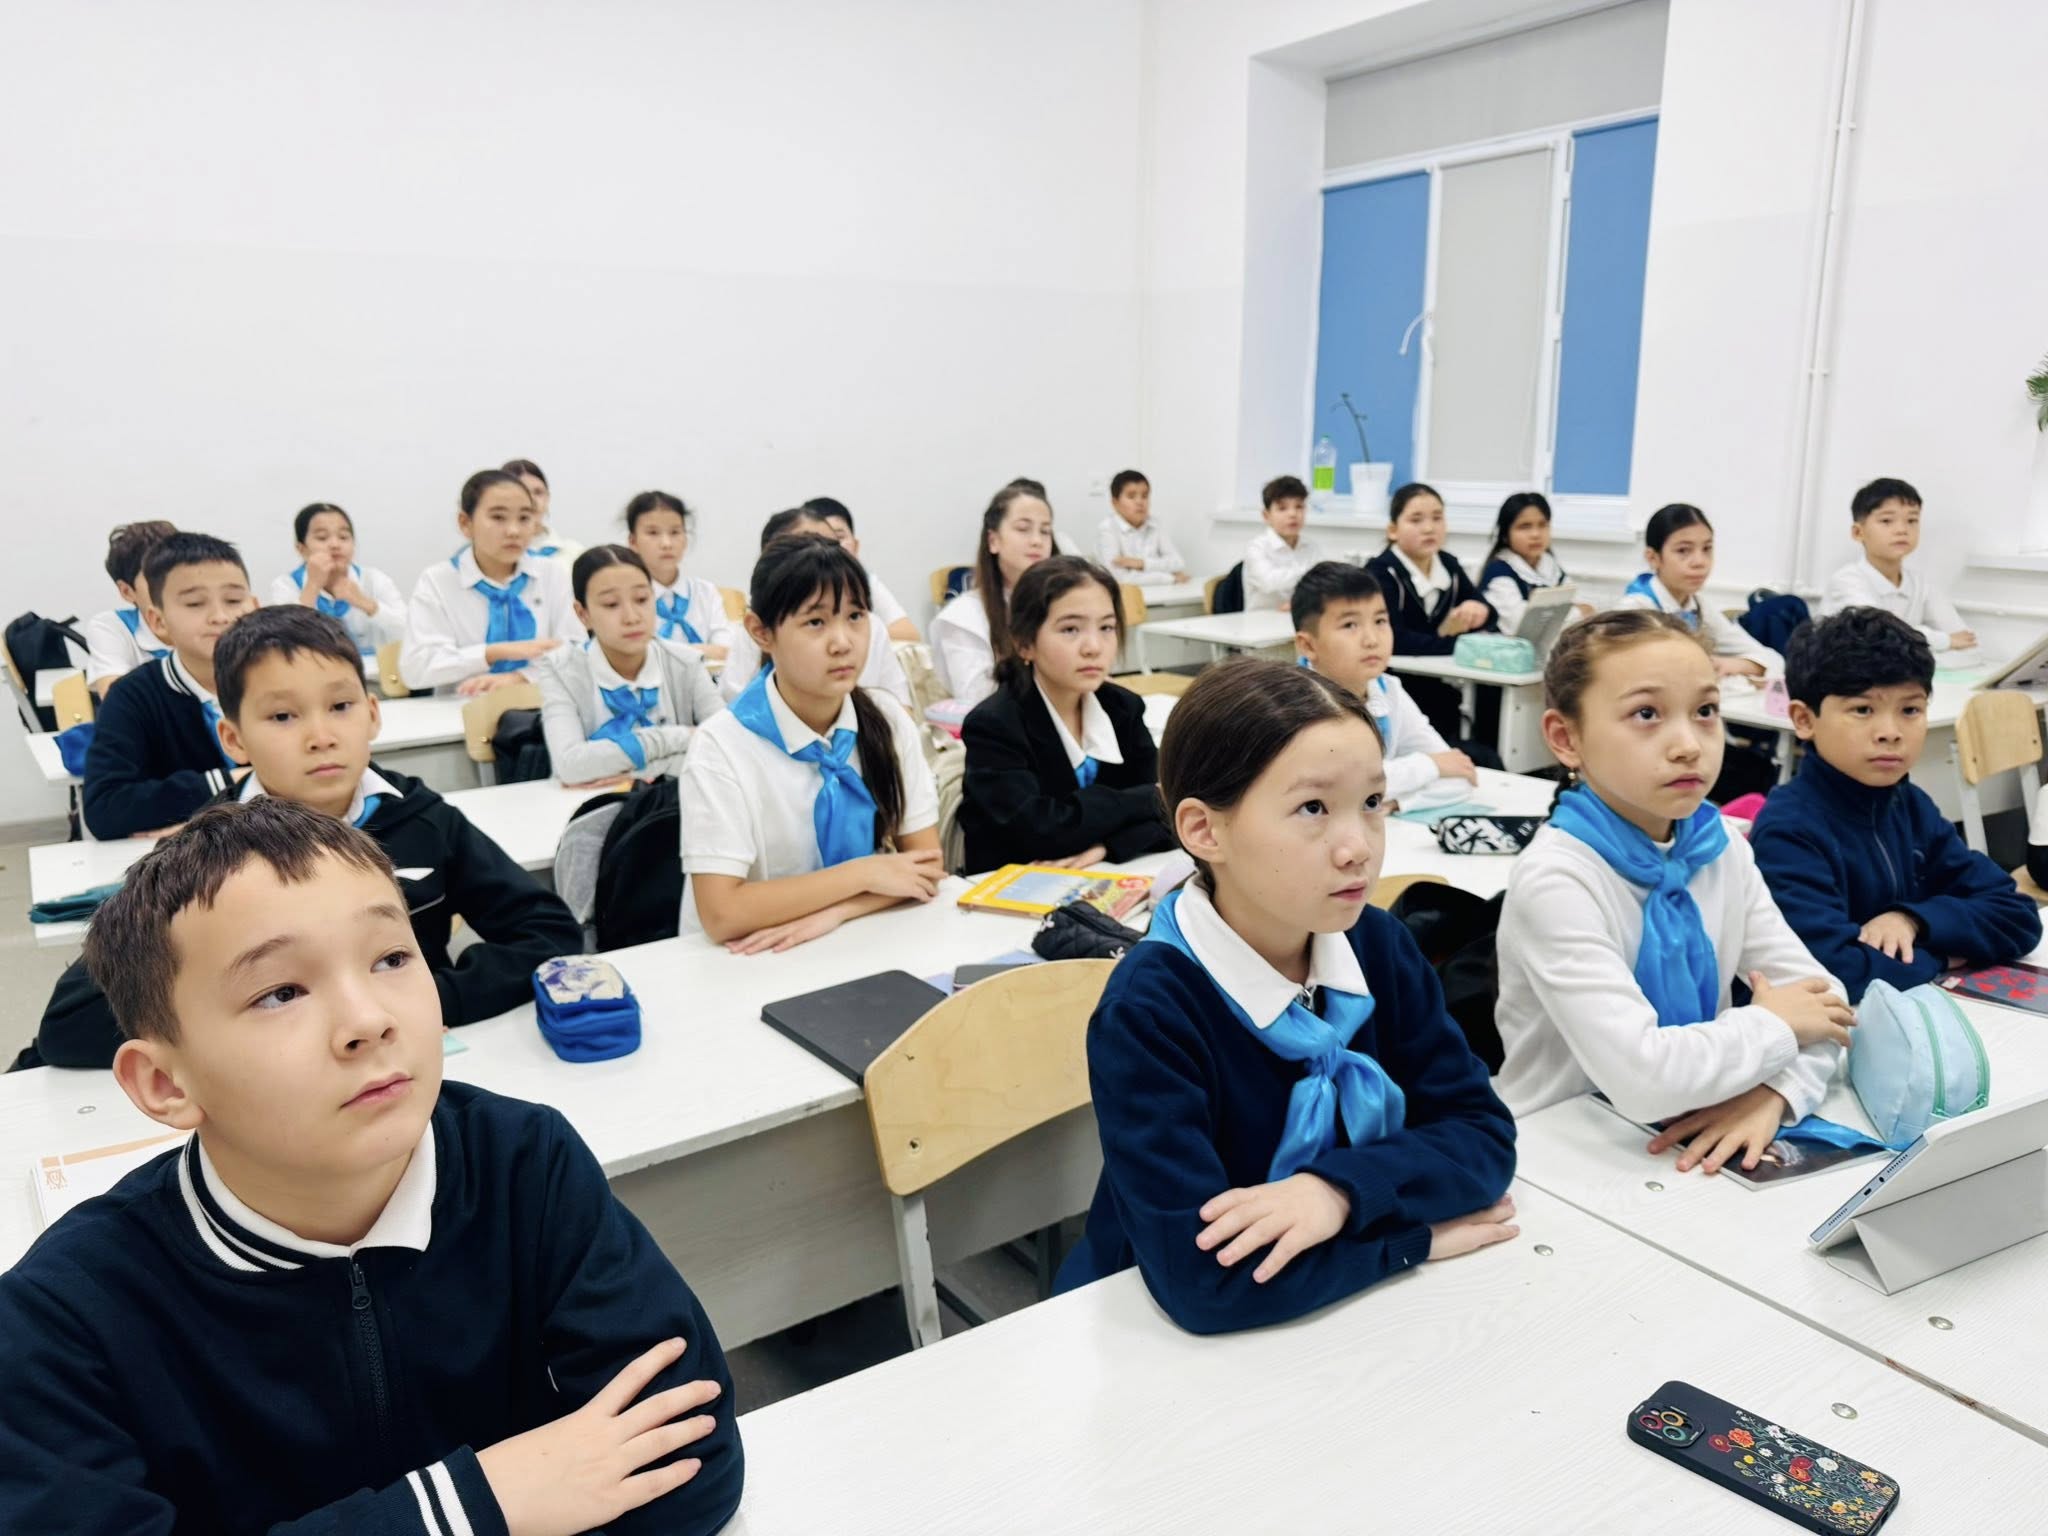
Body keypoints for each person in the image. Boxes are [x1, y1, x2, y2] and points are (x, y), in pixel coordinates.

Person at [0, 800, 742, 1534]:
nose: (368, 1020)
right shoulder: (64, 1318)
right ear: (166, 1083)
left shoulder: (524, 1162)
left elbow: (690, 1465)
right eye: (281, 992)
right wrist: (474, 1503)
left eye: (391, 958)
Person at [1053, 659, 1518, 1333]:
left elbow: (1484, 1138)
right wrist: (1408, 1240)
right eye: (1312, 809)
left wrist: (1335, 1193)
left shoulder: (1377, 946)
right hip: (1153, 1330)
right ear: (1205, 830)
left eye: (1372, 803)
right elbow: (1205, 1283)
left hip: (1347, 1314)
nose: (1358, 848)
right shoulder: (1150, 1012)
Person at [37, 605, 585, 1068]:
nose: (321, 736)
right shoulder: (202, 858)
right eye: (282, 716)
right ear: (234, 739)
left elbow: (546, 930)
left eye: (341, 707)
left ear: (372, 715)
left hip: (401, 1068)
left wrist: (429, 998)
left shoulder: (421, 818)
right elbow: (71, 1025)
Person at [1494, 611, 1856, 1176]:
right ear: (1566, 738)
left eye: (1705, 711)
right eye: (1646, 714)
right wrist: (1777, 1026)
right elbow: (1644, 1079)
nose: (1688, 745)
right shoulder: (1558, 878)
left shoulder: (1719, 845)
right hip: (1568, 1149)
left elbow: (1827, 1003)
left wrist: (1776, 1092)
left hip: (1702, 1126)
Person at [1750, 607, 2039, 1001]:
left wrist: (1914, 920)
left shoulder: (1910, 805)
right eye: (1862, 709)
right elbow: (1833, 972)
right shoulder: (1789, 830)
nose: (1890, 732)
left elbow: (2018, 915)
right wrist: (1941, 956)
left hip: (1911, 1012)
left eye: (1910, 710)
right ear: (1804, 719)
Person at [680, 536, 942, 952]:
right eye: (816, 622)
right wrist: (865, 873)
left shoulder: (888, 720)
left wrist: (838, 911)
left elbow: (927, 866)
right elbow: (722, 914)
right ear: (760, 632)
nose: (843, 642)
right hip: (746, 959)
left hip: (860, 941)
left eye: (855, 616)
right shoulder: (721, 746)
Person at [959, 556, 1173, 872]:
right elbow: (1041, 832)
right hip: (1015, 887)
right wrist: (1142, 800)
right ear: (1024, 643)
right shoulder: (994, 725)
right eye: (1070, 629)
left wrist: (1109, 846)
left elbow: (1173, 814)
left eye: (1107, 627)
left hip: (1109, 876)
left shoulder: (1122, 708)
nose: (1093, 647)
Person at [82, 532, 259, 839]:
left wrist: (212, 813)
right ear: (157, 621)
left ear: (254, 606)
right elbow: (106, 807)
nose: (220, 617)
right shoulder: (133, 696)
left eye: (233, 600)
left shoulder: (283, 679)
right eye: (195, 603)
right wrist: (232, 783)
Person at [1291, 561, 1478, 808]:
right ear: (1308, 645)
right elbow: (1339, 785)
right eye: (1350, 625)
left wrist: (1396, 801)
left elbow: (1459, 772)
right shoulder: (1295, 704)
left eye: (1380, 621)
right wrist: (1427, 765)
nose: (1372, 639)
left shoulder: (1388, 689)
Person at [538, 545, 725, 784]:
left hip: (676, 799)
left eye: (641, 599)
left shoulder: (685, 661)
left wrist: (638, 773)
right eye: (611, 604)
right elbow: (570, 766)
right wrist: (681, 737)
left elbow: (724, 743)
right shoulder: (560, 669)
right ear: (583, 614)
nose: (632, 617)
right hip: (591, 802)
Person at [401, 468, 584, 694]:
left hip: (543, 703)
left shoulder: (552, 574)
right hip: (459, 708)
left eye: (524, 518)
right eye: (498, 517)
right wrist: (492, 653)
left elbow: (576, 654)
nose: (514, 531)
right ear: (465, 523)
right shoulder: (438, 581)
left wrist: (521, 677)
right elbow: (416, 669)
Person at [719, 508, 914, 709]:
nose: (842, 644)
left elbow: (900, 702)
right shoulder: (738, 723)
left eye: (830, 545)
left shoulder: (886, 713)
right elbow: (734, 698)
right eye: (815, 622)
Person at [1364, 482, 1498, 742]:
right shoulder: (1381, 572)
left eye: (1437, 518)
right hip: (1396, 686)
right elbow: (1396, 639)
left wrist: (1480, 609)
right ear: (1393, 530)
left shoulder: (1448, 565)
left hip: (1440, 685)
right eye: (1416, 520)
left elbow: (1490, 613)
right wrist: (1459, 646)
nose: (1429, 528)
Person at [1615, 504, 1781, 678]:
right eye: (1683, 550)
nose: (1700, 562)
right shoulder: (1633, 610)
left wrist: (1730, 664)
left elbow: (1773, 659)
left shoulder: (1697, 606)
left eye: (1707, 549)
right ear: (1653, 558)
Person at [930, 480, 1055, 708]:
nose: (1037, 541)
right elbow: (977, 701)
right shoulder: (963, 616)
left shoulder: (1059, 603)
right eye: (1023, 529)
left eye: (1045, 531)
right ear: (993, 540)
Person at [1819, 476, 1975, 654]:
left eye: (1912, 520)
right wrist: (1945, 641)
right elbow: (1880, 635)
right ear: (1858, 532)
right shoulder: (1847, 581)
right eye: (1887, 521)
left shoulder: (1920, 583)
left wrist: (1944, 640)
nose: (1902, 530)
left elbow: (1964, 637)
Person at [266, 502, 407, 655]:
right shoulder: (286, 585)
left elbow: (408, 632)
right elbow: (282, 642)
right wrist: (312, 587)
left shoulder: (374, 580)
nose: (335, 544)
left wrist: (366, 604)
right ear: (301, 549)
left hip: (373, 670)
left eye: (343, 537)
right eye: (322, 538)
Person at [621, 490, 735, 661]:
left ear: (686, 539)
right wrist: (699, 652)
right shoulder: (625, 598)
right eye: (653, 533)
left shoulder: (705, 592)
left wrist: (666, 653)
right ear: (633, 542)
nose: (666, 543)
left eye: (675, 532)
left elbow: (726, 652)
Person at [78, 520, 176, 697]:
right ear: (127, 591)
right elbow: (117, 701)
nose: (175, 585)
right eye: (156, 578)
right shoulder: (112, 627)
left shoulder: (216, 619)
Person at [802, 496, 921, 642]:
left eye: (839, 537)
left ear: (855, 545)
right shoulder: (797, 586)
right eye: (822, 539)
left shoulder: (866, 582)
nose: (832, 546)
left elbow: (910, 634)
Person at [1478, 491, 1590, 636]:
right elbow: (1523, 626)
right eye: (1525, 526)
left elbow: (1583, 606)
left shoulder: (1550, 566)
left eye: (1543, 525)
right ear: (1505, 535)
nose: (1535, 534)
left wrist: (1569, 614)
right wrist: (1576, 613)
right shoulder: (1498, 572)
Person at [1242, 474, 1325, 613]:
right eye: (1282, 508)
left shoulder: (1311, 547)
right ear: (1266, 515)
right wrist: (1313, 574)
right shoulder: (1257, 547)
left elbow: (1324, 587)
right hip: (1261, 619)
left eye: (1299, 507)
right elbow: (1268, 582)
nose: (1293, 514)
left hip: (1299, 616)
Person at [1095, 469, 1187, 589]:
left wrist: (1141, 563)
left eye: (1145, 496)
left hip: (1161, 592)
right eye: (1131, 496)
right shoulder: (1107, 529)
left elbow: (1178, 563)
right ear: (1115, 503)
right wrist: (1170, 578)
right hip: (1125, 597)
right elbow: (1119, 579)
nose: (1140, 502)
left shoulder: (1155, 524)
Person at [503, 456, 585, 564]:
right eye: (523, 491)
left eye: (538, 492)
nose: (532, 499)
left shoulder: (574, 553)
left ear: (548, 498)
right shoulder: (488, 554)